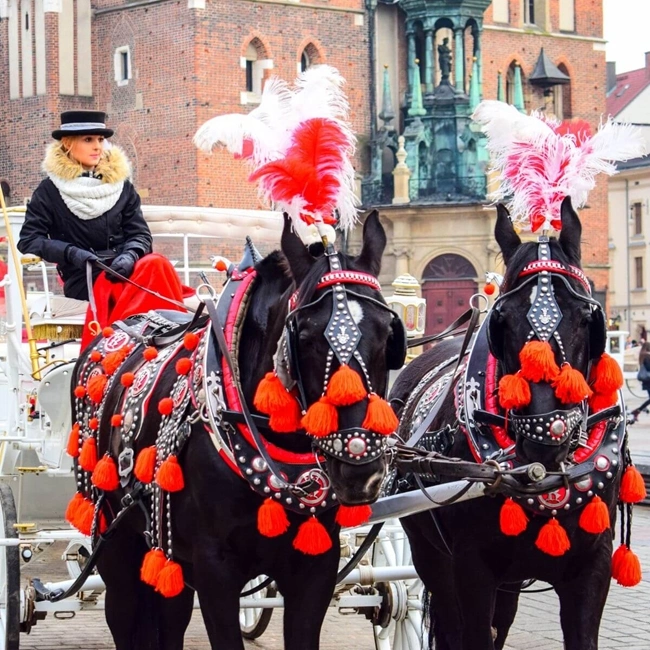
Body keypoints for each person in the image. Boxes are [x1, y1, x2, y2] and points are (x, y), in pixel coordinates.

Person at [18, 110, 187, 348]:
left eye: (100, 139)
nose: (97, 146)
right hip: (85, 274)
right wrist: (70, 253)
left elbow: (139, 234)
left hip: (125, 267)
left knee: (156, 263)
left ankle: (161, 340)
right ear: (68, 145)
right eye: (88, 140)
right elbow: (28, 240)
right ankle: (134, 346)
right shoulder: (49, 190)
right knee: (152, 269)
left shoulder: (121, 187)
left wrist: (131, 255)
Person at [630, 341, 650, 422]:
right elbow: (649, 367)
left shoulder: (642, 355)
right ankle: (637, 411)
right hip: (649, 380)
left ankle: (637, 411)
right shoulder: (647, 356)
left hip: (647, 381)